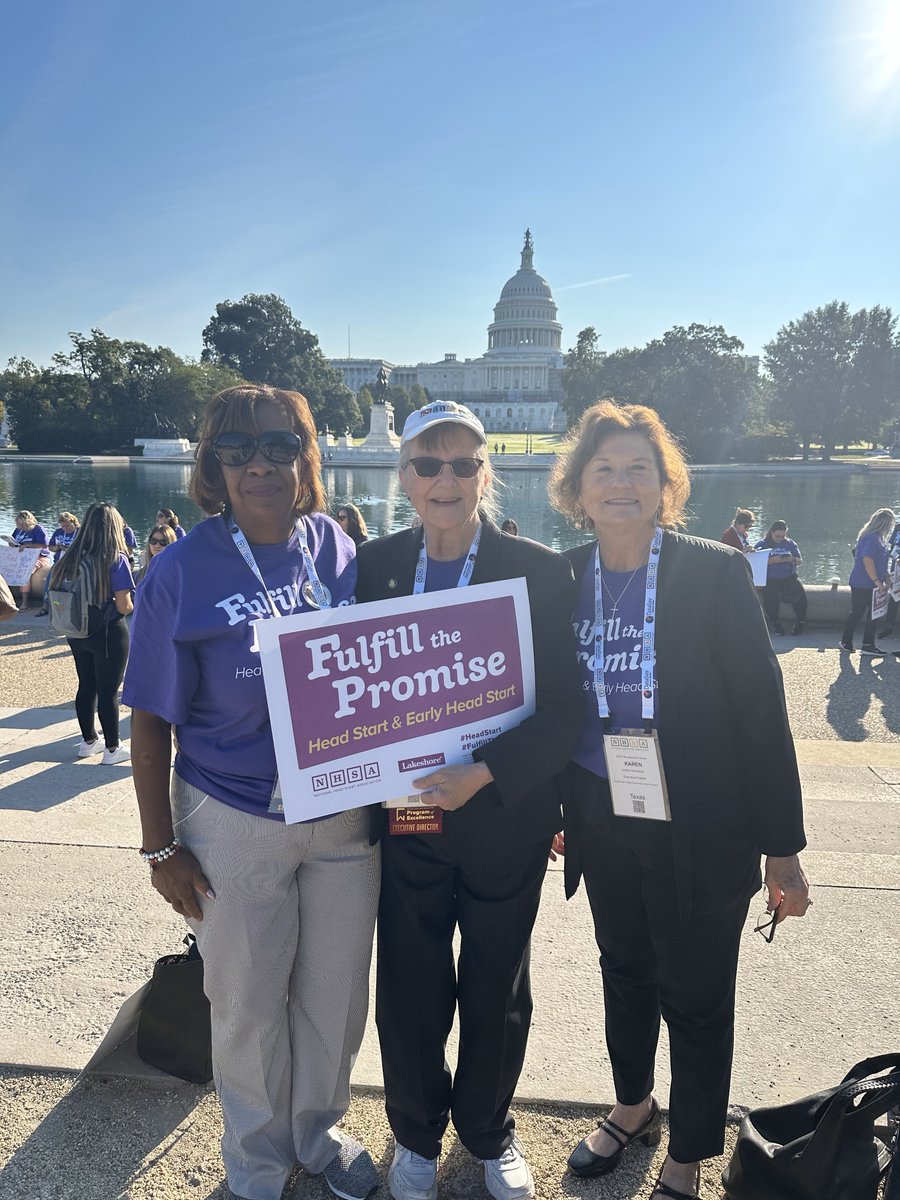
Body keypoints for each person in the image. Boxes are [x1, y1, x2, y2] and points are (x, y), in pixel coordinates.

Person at [123, 385, 379, 1200]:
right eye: (237, 449)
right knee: (246, 1001)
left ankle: (319, 1133)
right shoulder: (181, 569)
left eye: (280, 445)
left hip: (342, 816)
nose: (260, 463)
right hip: (234, 814)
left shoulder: (337, 549)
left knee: (335, 997)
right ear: (213, 463)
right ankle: (258, 1163)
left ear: (308, 455)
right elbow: (150, 721)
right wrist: (160, 847)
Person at [549, 401, 809, 1200]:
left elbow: (762, 714)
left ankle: (690, 1152)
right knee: (622, 968)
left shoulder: (711, 571)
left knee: (696, 993)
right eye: (604, 471)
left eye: (638, 469)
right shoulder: (563, 575)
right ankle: (633, 1104)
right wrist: (558, 809)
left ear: (665, 486)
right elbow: (547, 700)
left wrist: (783, 847)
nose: (621, 484)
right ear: (578, 490)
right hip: (601, 811)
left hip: (701, 823)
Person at [355, 400, 581, 1200]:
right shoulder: (374, 565)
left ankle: (487, 1130)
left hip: (501, 813)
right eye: (427, 464)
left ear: (486, 473)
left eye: (462, 464)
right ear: (405, 476)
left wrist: (480, 772)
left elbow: (565, 709)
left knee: (495, 983)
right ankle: (416, 1133)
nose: (444, 479)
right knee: (411, 984)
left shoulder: (542, 571)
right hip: (409, 814)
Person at [48, 502, 135, 765]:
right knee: (109, 691)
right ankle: (112, 748)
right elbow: (124, 605)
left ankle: (88, 742)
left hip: (75, 629)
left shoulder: (71, 556)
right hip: (108, 631)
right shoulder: (115, 559)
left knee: (86, 686)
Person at [840, 507, 894, 655]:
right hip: (865, 582)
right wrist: (877, 581)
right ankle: (867, 644)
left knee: (858, 611)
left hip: (864, 581)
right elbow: (867, 560)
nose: (891, 526)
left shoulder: (876, 536)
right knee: (871, 612)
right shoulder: (872, 537)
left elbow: (880, 561)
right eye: (890, 523)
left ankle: (847, 641)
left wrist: (887, 577)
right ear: (884, 523)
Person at [754, 520, 807, 635]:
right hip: (771, 578)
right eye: (777, 536)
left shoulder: (790, 543)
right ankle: (775, 623)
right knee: (770, 599)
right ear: (771, 533)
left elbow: (799, 561)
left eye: (783, 536)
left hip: (789, 577)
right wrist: (771, 561)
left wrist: (791, 559)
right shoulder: (762, 544)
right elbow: (755, 563)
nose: (780, 538)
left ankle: (800, 623)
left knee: (801, 597)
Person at [37, 513, 81, 616]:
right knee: (49, 581)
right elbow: (50, 547)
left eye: (67, 526)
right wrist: (57, 548)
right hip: (59, 562)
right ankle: (46, 605)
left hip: (74, 563)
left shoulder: (80, 532)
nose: (65, 528)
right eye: (63, 526)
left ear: (74, 522)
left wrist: (70, 548)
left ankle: (71, 607)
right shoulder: (58, 532)